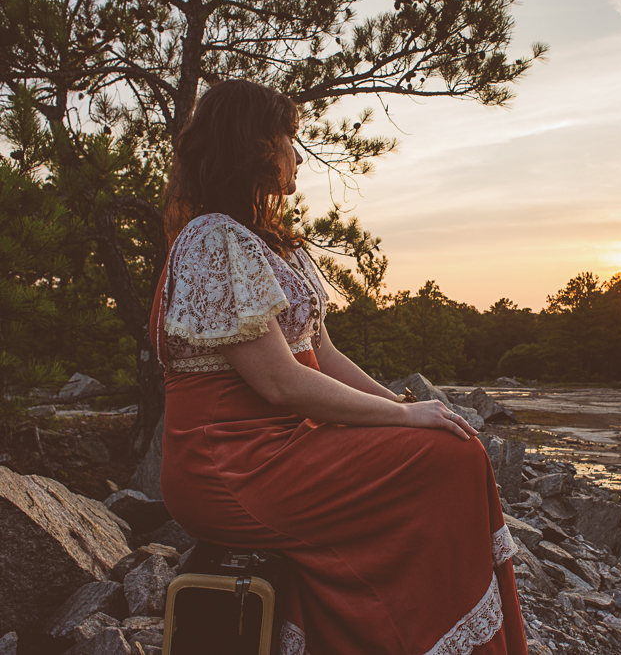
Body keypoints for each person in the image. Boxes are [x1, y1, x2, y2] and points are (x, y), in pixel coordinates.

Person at [150, 79, 527, 655]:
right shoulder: (211, 240)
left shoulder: (271, 243)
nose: (296, 155)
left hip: (283, 446)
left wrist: (402, 408)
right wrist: (405, 422)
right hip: (231, 464)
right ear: (253, 147)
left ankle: (415, 627)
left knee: (456, 445)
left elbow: (321, 354)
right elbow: (280, 382)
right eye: (287, 139)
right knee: (449, 458)